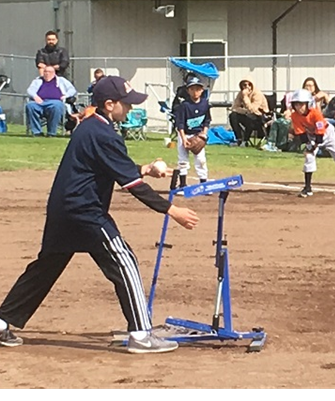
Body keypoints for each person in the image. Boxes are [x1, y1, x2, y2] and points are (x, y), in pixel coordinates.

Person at [0, 75, 200, 354]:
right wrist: (172, 210)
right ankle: (141, 335)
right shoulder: (104, 134)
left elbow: (111, 168)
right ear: (109, 104)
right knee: (124, 261)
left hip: (63, 210)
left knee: (45, 269)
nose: (130, 109)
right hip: (85, 212)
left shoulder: (92, 127)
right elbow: (134, 187)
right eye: (126, 104)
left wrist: (144, 168)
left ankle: (1, 321)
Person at [289, 88, 335, 197]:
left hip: (327, 133)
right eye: (296, 105)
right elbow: (300, 132)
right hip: (311, 135)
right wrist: (308, 145)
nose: (299, 108)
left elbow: (320, 130)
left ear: (308, 104)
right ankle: (307, 188)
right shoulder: (295, 116)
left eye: (301, 104)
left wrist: (315, 144)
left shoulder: (315, 113)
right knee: (309, 157)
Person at [173, 76, 211, 191]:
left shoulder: (205, 104)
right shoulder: (184, 105)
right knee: (183, 160)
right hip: (184, 134)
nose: (195, 92)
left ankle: (203, 185)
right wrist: (184, 139)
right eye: (192, 89)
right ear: (188, 90)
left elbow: (207, 120)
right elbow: (180, 124)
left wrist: (204, 134)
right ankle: (183, 185)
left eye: (198, 89)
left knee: (201, 160)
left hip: (198, 135)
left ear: (202, 90)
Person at [25, 65, 77, 137]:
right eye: (45, 71)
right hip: (39, 102)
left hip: (55, 102)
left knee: (57, 105)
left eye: (49, 72)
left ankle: (51, 132)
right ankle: (37, 132)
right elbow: (30, 90)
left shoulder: (61, 80)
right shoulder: (37, 80)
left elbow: (72, 90)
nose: (46, 73)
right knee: (30, 105)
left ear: (54, 73)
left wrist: (66, 95)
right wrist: (35, 96)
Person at [229, 77, 270, 147]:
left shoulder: (257, 94)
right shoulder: (240, 94)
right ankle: (239, 139)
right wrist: (245, 111)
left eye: (249, 84)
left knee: (250, 117)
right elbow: (234, 108)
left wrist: (245, 97)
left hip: (260, 118)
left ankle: (245, 140)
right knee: (232, 115)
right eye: (244, 85)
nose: (247, 87)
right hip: (247, 114)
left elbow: (253, 109)